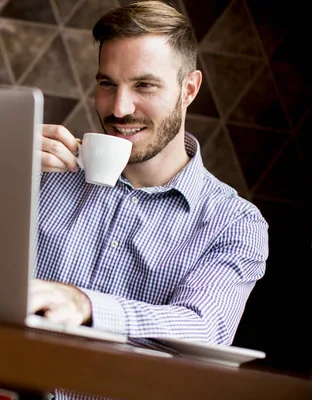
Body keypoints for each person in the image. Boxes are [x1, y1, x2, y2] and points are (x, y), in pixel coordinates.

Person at [28, 0, 269, 351]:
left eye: (144, 85)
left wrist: (87, 305)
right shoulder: (43, 172)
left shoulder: (235, 224)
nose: (118, 108)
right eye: (108, 84)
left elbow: (204, 328)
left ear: (189, 89)